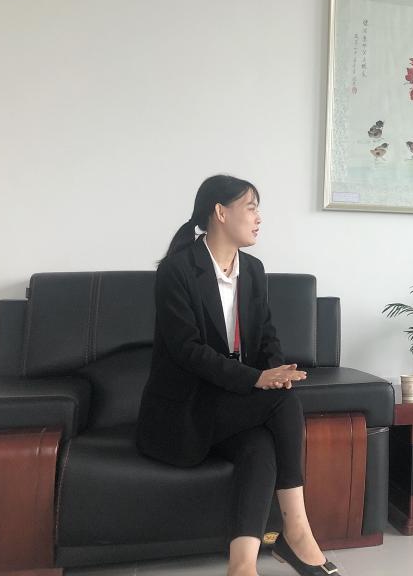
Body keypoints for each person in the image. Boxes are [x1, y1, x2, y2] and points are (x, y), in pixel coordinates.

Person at [136, 175, 339, 576]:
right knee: (281, 403)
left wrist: (278, 371)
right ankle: (297, 532)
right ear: (221, 212)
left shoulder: (254, 270)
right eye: (251, 207)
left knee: (260, 444)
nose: (259, 218)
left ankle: (242, 566)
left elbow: (266, 337)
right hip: (184, 413)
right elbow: (187, 350)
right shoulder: (177, 270)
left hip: (229, 407)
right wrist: (255, 380)